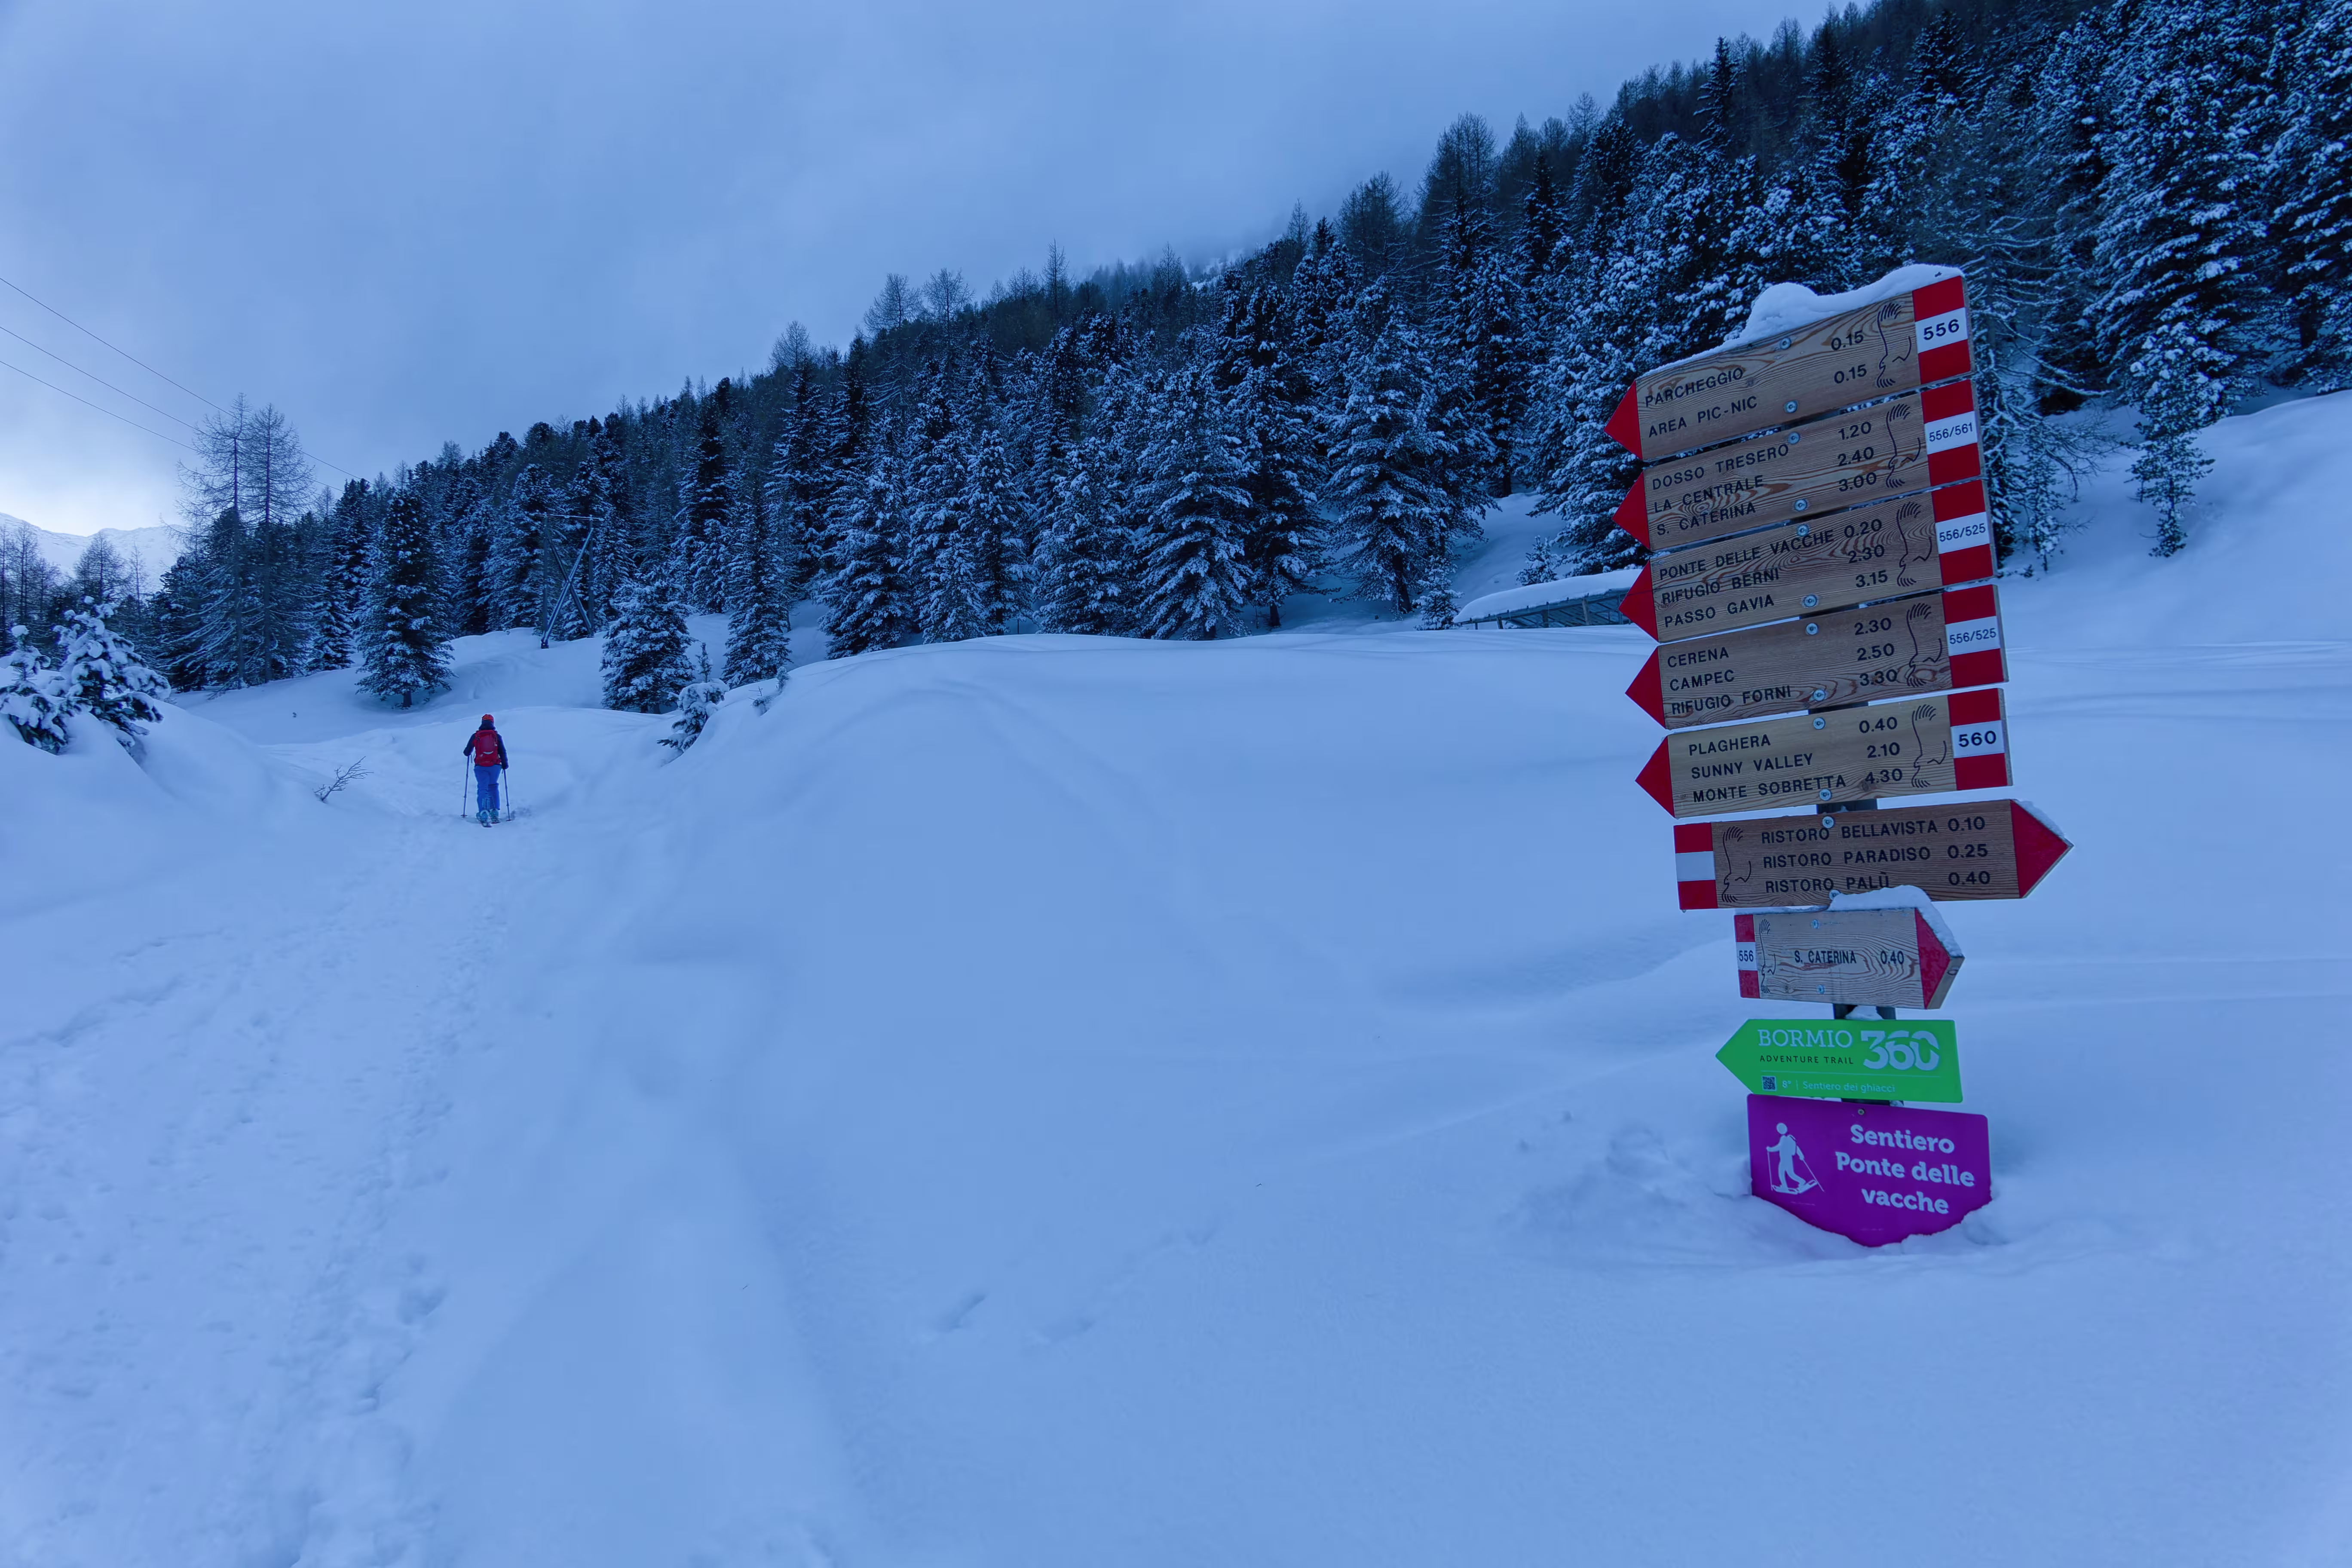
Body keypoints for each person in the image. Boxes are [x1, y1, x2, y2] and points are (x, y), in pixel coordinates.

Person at [462, 713, 510, 824]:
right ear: (492, 723)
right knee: (493, 786)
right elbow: (502, 751)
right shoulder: (497, 736)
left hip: (481, 766)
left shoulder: (476, 736)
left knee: (483, 788)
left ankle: (483, 812)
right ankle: (494, 812)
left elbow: (467, 753)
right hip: (495, 766)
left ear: (482, 723)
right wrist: (505, 764)